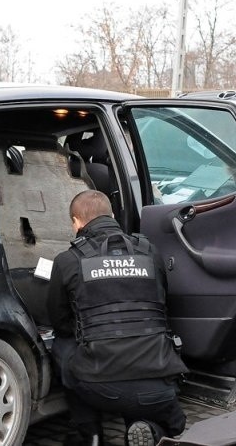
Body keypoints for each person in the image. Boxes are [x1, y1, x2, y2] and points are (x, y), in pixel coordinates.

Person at [46, 190, 188, 446]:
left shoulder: (67, 261)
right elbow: (162, 303)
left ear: (76, 222)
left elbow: (59, 320)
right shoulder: (150, 252)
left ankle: (92, 435)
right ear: (112, 216)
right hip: (160, 384)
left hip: (98, 386)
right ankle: (148, 428)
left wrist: (89, 330)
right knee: (171, 422)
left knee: (62, 344)